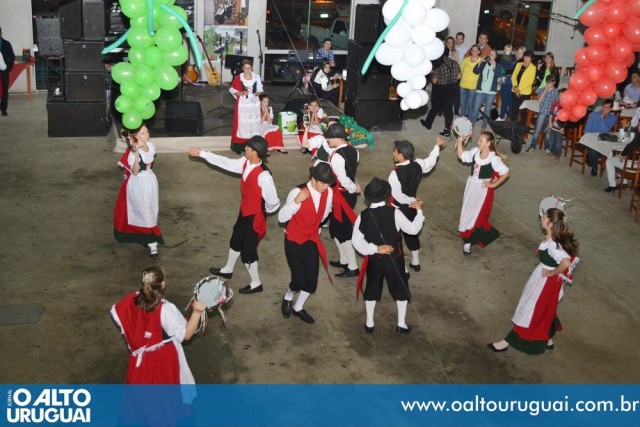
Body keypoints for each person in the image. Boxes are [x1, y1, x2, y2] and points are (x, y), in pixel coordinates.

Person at [188, 136, 280, 294]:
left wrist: (262, 211)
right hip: (244, 212)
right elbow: (226, 162)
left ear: (255, 152)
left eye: (248, 147)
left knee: (248, 252)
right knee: (236, 240)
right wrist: (203, 154)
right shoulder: (245, 162)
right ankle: (228, 269)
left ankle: (256, 283)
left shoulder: (264, 176)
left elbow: (273, 202)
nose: (245, 149)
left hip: (255, 218)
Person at [488, 208, 579, 354]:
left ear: (550, 224)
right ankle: (547, 338)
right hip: (546, 280)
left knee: (530, 309)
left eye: (544, 217)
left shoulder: (553, 244)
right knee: (544, 308)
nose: (541, 219)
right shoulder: (553, 239)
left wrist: (551, 272)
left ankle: (506, 342)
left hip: (545, 282)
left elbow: (566, 262)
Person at [352, 178, 425, 334]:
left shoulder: (363, 216)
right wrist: (419, 211)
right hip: (394, 258)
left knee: (371, 289)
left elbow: (356, 241)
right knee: (400, 289)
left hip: (374, 259)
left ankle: (369, 323)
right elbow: (413, 230)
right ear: (387, 196)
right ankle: (401, 324)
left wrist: (375, 248)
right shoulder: (395, 213)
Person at [111, 265, 206, 384]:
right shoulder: (165, 310)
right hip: (163, 359)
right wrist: (197, 312)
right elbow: (186, 335)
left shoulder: (131, 299)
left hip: (140, 362)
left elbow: (122, 312)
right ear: (163, 284)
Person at [278, 163, 335, 325]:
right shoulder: (297, 192)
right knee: (298, 280)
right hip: (294, 240)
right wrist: (296, 202)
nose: (326, 187)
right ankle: (288, 296)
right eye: (323, 183)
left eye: (328, 183)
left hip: (311, 238)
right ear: (313, 179)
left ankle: (298, 307)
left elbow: (325, 212)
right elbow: (281, 218)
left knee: (311, 281)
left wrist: (315, 226)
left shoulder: (328, 192)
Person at [389, 138, 445, 272]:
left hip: (398, 209)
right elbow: (430, 161)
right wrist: (437, 146)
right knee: (411, 235)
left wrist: (411, 201)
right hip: (412, 209)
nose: (393, 154)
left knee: (395, 238)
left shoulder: (394, 174)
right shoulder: (418, 165)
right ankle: (416, 262)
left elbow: (398, 196)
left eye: (395, 152)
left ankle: (403, 269)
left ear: (402, 155)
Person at [114, 124, 164, 258]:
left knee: (151, 210)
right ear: (135, 136)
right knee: (142, 211)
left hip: (150, 182)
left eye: (147, 132)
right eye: (143, 133)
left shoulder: (151, 146)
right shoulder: (132, 152)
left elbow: (149, 161)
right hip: (138, 183)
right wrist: (136, 154)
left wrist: (139, 147)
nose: (146, 135)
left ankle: (147, 238)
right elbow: (135, 172)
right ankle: (152, 242)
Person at [456, 131, 509, 255]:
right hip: (471, 186)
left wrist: (493, 185)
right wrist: (459, 142)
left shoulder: (494, 159)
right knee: (467, 211)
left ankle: (469, 242)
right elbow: (461, 156)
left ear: (488, 143)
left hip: (483, 191)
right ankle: (468, 237)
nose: (478, 142)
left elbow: (505, 173)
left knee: (477, 216)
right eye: (478, 140)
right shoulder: (475, 152)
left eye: (481, 140)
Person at [326, 123, 361, 278]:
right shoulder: (355, 151)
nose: (327, 140)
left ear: (337, 138)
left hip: (342, 196)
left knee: (343, 231)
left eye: (329, 138)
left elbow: (343, 179)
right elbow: (351, 172)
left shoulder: (337, 157)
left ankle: (353, 267)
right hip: (346, 195)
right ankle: (344, 260)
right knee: (335, 228)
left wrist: (353, 187)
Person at [419, 47, 461, 136]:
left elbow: (434, 81)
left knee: (435, 107)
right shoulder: (455, 63)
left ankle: (428, 124)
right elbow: (459, 76)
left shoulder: (438, 65)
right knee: (448, 109)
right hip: (452, 88)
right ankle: (447, 130)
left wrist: (432, 75)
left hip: (441, 89)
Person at [229, 59, 263, 153]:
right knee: (241, 124)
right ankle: (239, 147)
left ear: (252, 68)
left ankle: (253, 146)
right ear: (243, 68)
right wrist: (242, 93)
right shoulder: (239, 78)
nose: (247, 70)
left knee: (253, 124)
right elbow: (232, 90)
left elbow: (260, 89)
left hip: (253, 104)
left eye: (249, 68)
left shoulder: (256, 77)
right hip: (243, 104)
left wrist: (255, 94)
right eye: (245, 68)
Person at [469, 49, 503, 132]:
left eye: (493, 54)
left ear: (496, 56)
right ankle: (471, 126)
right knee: (475, 108)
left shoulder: (498, 65)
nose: (491, 55)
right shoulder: (483, 63)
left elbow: (498, 74)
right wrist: (480, 61)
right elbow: (475, 71)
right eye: (490, 54)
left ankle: (483, 127)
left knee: (487, 110)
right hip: (480, 91)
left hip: (491, 92)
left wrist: (493, 64)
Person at [525, 74, 559, 153]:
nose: (548, 84)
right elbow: (539, 100)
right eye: (547, 82)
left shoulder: (556, 91)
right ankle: (532, 146)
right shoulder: (543, 89)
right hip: (542, 112)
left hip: (550, 114)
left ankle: (547, 147)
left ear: (553, 82)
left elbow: (556, 103)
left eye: (550, 83)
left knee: (548, 133)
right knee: (537, 130)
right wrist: (545, 91)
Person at [604, 123, 640, 192]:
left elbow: (628, 148)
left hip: (633, 167)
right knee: (618, 160)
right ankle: (624, 182)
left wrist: (621, 156)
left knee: (609, 161)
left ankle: (612, 185)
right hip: (638, 165)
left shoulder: (637, 139)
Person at [585, 98, 617, 176]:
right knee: (594, 150)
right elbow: (587, 129)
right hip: (591, 138)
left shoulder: (613, 118)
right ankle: (594, 166)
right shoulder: (594, 115)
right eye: (603, 106)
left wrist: (602, 119)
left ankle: (591, 158)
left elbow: (606, 130)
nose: (603, 108)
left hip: (603, 139)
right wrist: (590, 138)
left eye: (606, 107)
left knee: (603, 150)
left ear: (610, 109)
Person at [497, 45, 524, 121]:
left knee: (509, 102)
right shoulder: (511, 58)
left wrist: (506, 72)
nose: (518, 53)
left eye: (521, 52)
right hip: (505, 81)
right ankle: (502, 116)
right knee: (504, 100)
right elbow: (502, 68)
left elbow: (514, 72)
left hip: (513, 84)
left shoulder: (521, 62)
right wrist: (504, 72)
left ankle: (508, 118)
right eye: (518, 51)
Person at [510, 50, 537, 124]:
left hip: (525, 93)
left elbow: (530, 81)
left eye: (528, 57)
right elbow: (513, 76)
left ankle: (521, 128)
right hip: (515, 90)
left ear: (531, 59)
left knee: (523, 111)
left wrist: (519, 90)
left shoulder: (533, 68)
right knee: (514, 110)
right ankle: (512, 127)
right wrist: (515, 87)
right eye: (525, 56)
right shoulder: (518, 64)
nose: (526, 58)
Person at [544, 87, 567, 162]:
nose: (560, 97)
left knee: (558, 142)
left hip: (560, 128)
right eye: (559, 95)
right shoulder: (556, 104)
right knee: (552, 140)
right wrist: (550, 122)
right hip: (553, 126)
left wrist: (563, 127)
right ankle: (552, 152)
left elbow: (568, 119)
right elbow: (551, 114)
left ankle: (557, 154)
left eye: (562, 95)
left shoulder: (567, 106)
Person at [459, 44, 482, 121]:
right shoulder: (466, 59)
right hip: (463, 84)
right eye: (472, 50)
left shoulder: (481, 61)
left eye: (476, 50)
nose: (474, 51)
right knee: (462, 102)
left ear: (479, 51)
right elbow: (461, 69)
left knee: (470, 103)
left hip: (473, 86)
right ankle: (462, 118)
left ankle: (469, 120)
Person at [0, 27, 16, 116]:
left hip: (4, 71)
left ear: (1, 33)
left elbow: (12, 57)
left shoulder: (6, 43)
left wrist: (8, 68)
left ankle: (3, 108)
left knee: (4, 89)